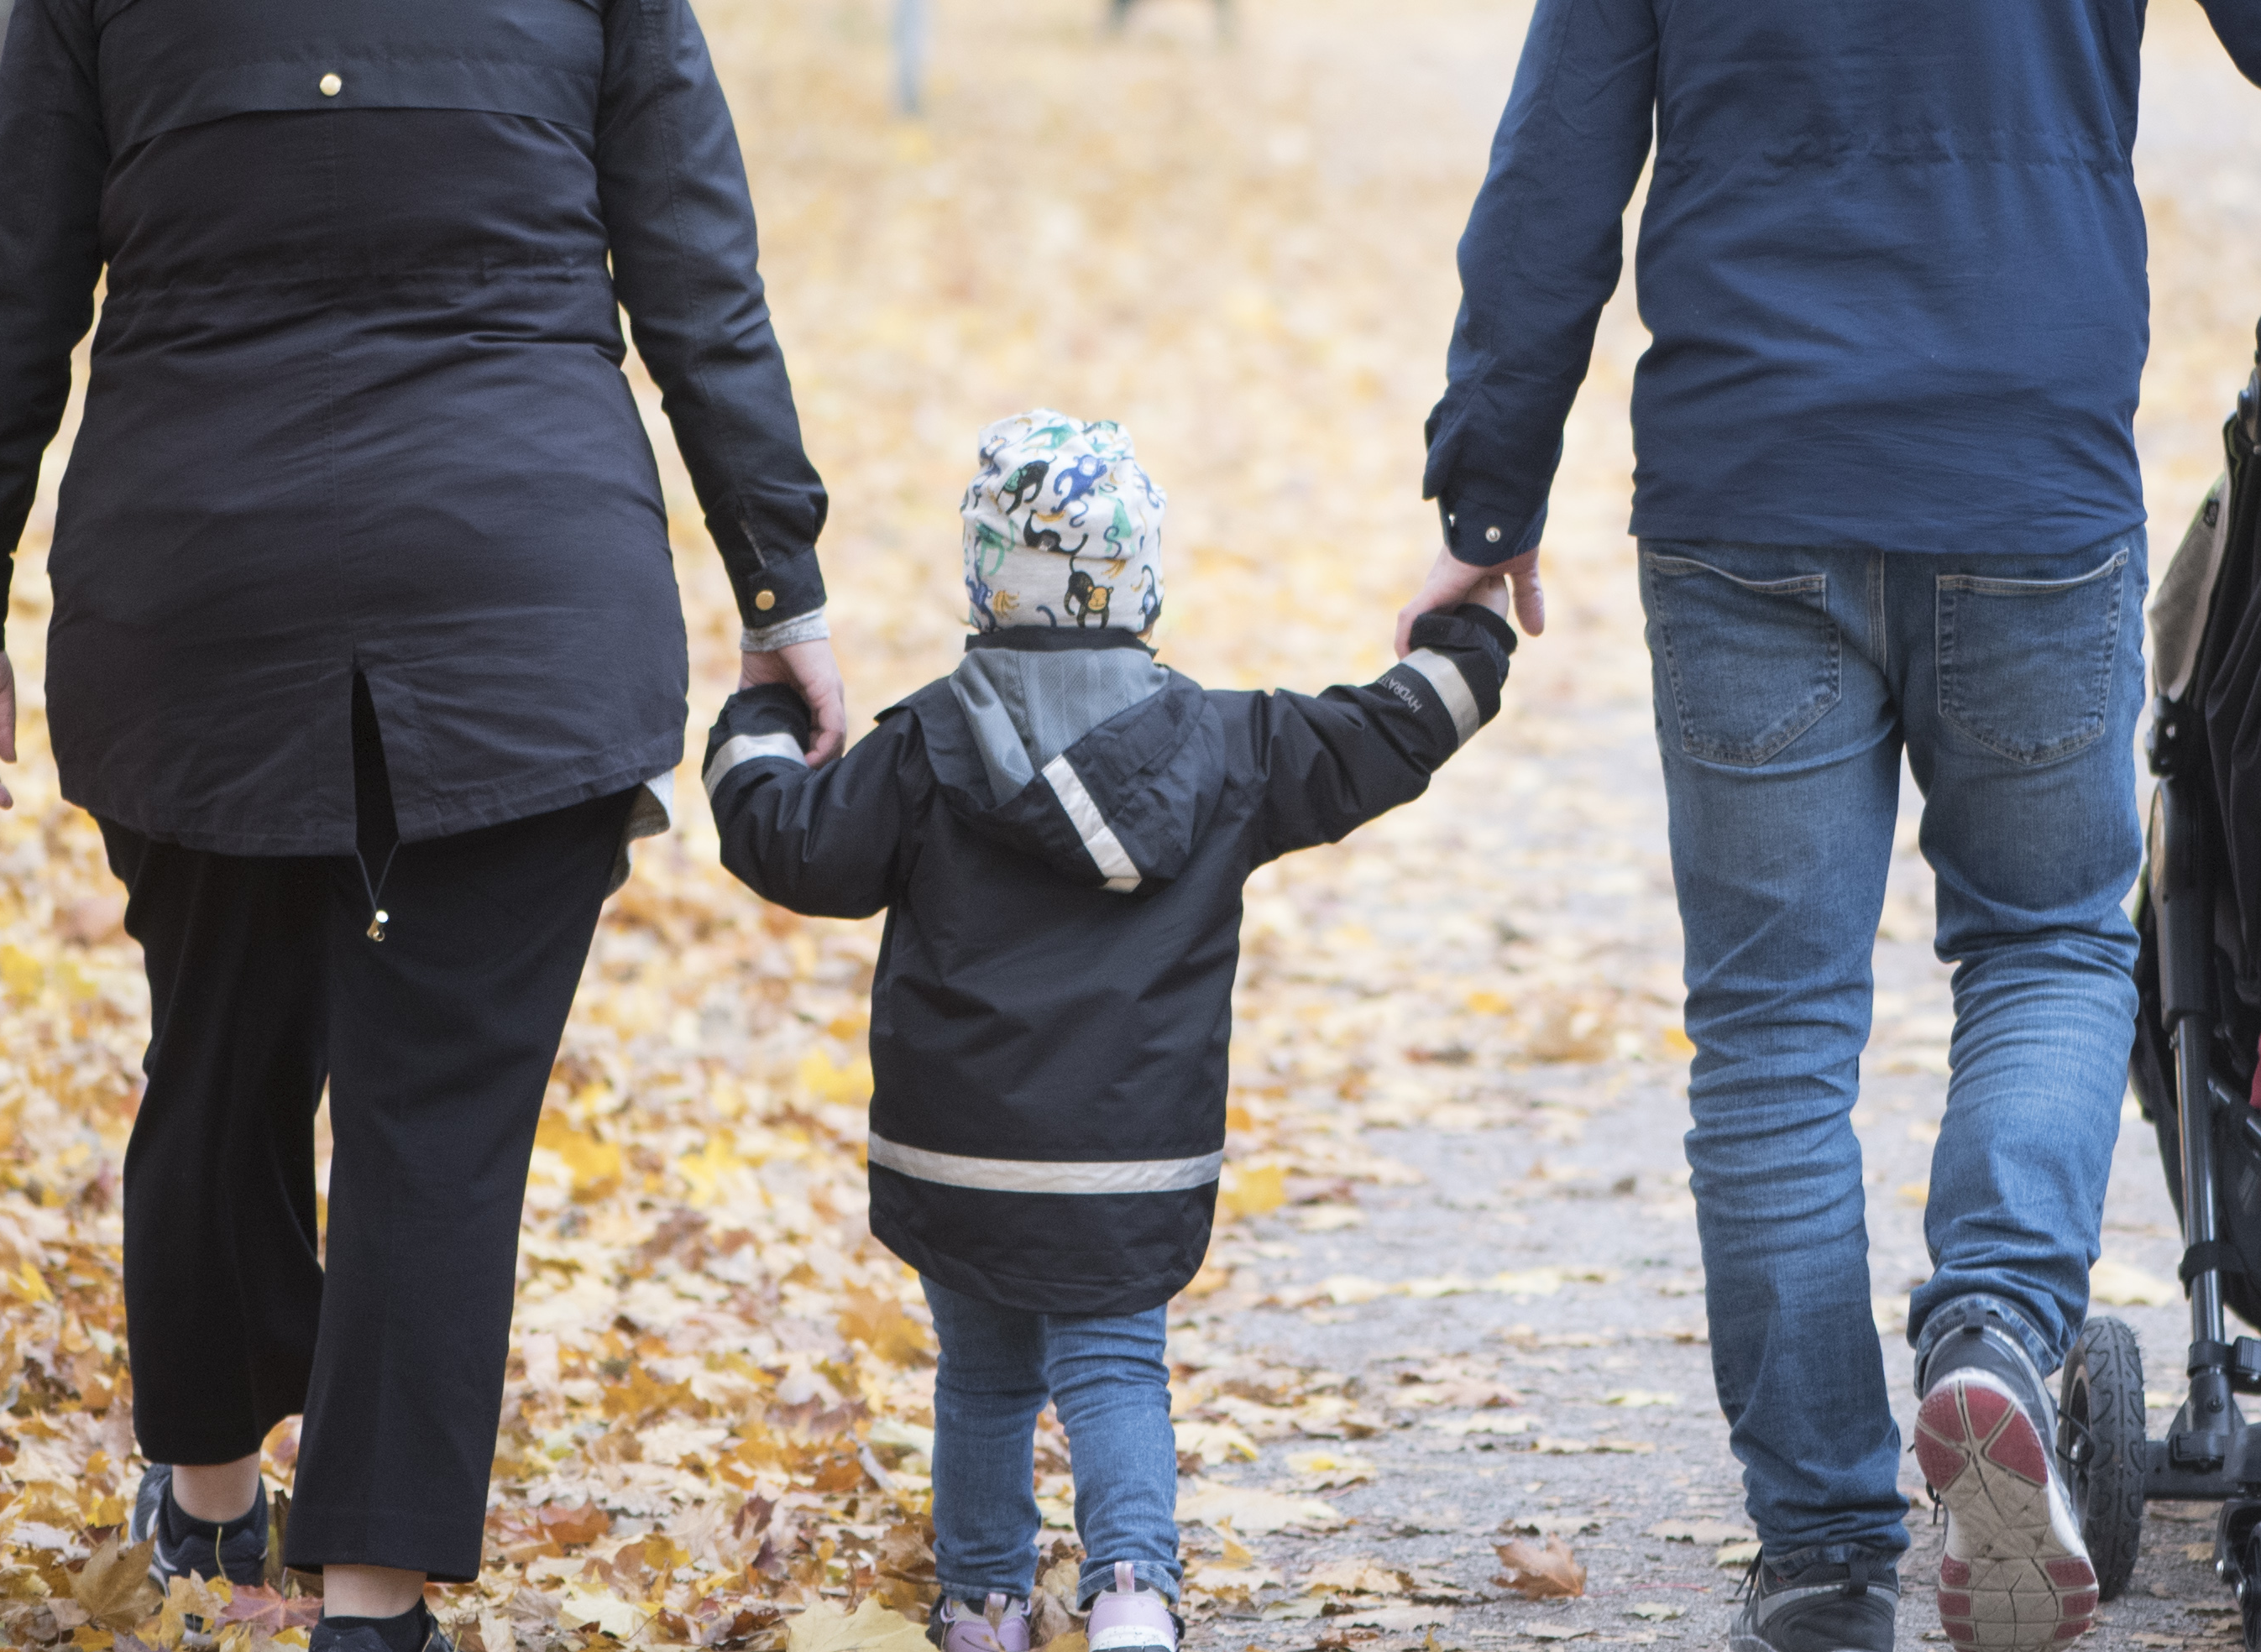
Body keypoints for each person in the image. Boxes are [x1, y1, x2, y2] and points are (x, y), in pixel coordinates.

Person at [0, 2, 844, 1648]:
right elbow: (700, 278)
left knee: (215, 1049)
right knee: (439, 1124)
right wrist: (780, 588)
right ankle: (369, 1603)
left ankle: (202, 1513)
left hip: (201, 599)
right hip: (517, 599)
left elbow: (10, 286)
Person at [1395, 6, 2261, 1652]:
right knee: (2048, 944)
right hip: (2026, 456)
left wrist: (1485, 495)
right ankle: (1994, 1335)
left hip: (1747, 476)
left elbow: (1553, 162)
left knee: (1769, 1031)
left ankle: (1814, 1554)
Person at [700, 411, 1515, 1652]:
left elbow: (786, 841)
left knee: (981, 1375)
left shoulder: (921, 747)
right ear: (1142, 576)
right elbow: (1391, 734)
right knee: (1115, 1366)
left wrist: (756, 716)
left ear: (981, 576)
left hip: (957, 1159)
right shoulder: (1233, 747)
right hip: (1130, 1161)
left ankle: (980, 1603)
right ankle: (1132, 1591)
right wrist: (1466, 623)